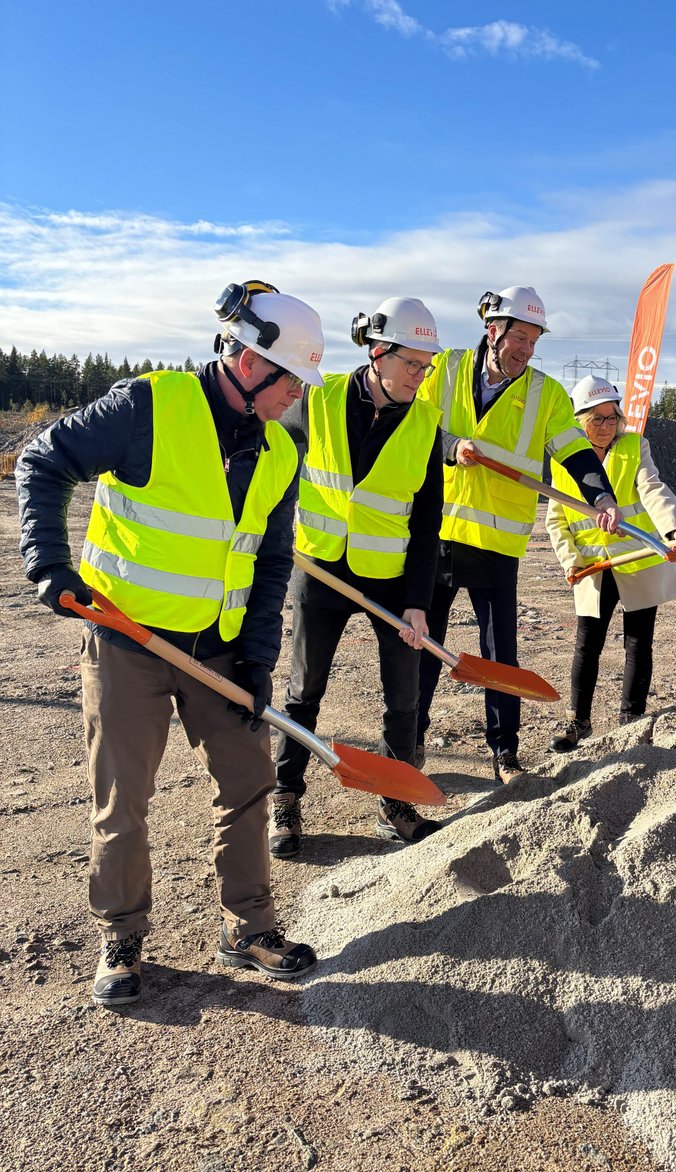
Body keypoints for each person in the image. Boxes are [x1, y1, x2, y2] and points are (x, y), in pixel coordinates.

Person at [15, 280, 325, 1006]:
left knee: (250, 783)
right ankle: (120, 935)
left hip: (217, 646)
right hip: (127, 639)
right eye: (294, 383)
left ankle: (248, 927)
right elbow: (43, 461)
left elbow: (272, 559)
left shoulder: (281, 452)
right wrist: (48, 562)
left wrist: (256, 654)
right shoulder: (148, 406)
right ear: (252, 364)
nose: (298, 399)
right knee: (123, 796)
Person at [416, 287, 623, 783]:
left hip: (495, 546)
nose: (526, 351)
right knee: (422, 646)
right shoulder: (443, 368)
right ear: (494, 331)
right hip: (435, 536)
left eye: (534, 342)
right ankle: (410, 745)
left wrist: (602, 497)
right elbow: (410, 426)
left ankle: (504, 754)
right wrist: (451, 445)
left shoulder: (546, 393)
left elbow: (574, 454)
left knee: (499, 656)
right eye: (520, 339)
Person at [269, 297, 444, 855]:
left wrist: (417, 602)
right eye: (411, 364)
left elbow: (426, 523)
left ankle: (395, 806)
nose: (420, 376)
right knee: (304, 690)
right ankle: (285, 798)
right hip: (319, 568)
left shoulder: (426, 424)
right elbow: (269, 451)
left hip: (389, 578)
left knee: (404, 696)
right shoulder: (315, 401)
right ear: (377, 353)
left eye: (426, 365)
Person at [545, 375, 676, 751]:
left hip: (639, 562)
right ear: (579, 420)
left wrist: (672, 528)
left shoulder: (634, 447)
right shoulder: (565, 460)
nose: (606, 427)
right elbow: (556, 520)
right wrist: (570, 561)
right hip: (594, 568)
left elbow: (653, 489)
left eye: (612, 418)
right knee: (587, 645)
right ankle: (578, 722)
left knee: (638, 643)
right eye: (597, 419)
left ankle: (631, 720)